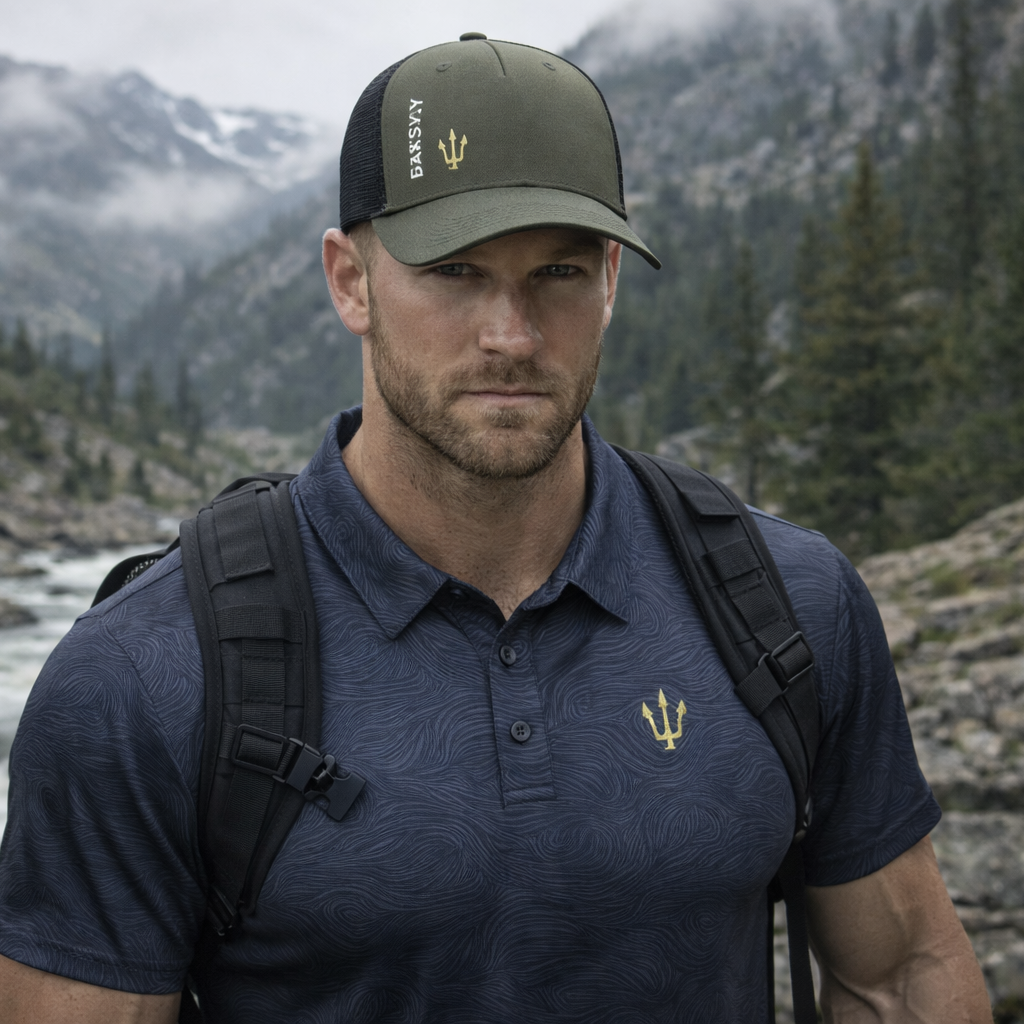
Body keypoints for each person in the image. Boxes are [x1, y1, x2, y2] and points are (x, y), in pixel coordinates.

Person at [0, 34, 992, 1024]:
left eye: (556, 272)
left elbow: (896, 977)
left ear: (608, 278)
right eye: (456, 271)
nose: (510, 335)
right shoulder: (144, 674)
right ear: (350, 280)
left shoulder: (788, 603)